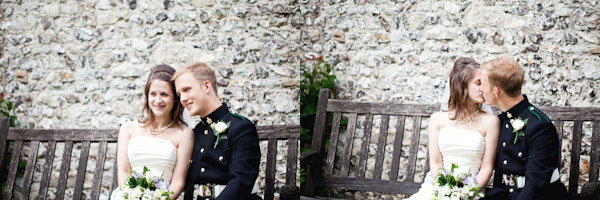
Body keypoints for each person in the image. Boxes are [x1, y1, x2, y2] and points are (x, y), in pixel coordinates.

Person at [406, 58, 500, 199]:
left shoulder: (491, 121)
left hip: (471, 191)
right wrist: (445, 192)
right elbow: (436, 162)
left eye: (485, 84)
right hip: (438, 189)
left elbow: (487, 167)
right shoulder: (437, 119)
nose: (484, 89)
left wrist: (466, 193)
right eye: (478, 83)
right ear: (462, 86)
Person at [480, 56, 567, 200]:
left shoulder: (539, 126)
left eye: (483, 84)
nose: (481, 89)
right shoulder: (501, 121)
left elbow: (536, 184)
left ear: (496, 91)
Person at [173, 62, 261, 200]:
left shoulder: (240, 128)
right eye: (179, 94)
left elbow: (241, 183)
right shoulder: (196, 132)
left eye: (187, 90)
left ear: (207, 86)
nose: (182, 99)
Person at [111, 65, 194, 199]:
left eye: (164, 94)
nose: (158, 100)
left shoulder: (184, 134)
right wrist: (131, 196)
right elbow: (123, 171)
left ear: (175, 98)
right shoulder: (128, 129)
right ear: (147, 96)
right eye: (153, 94)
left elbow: (178, 182)